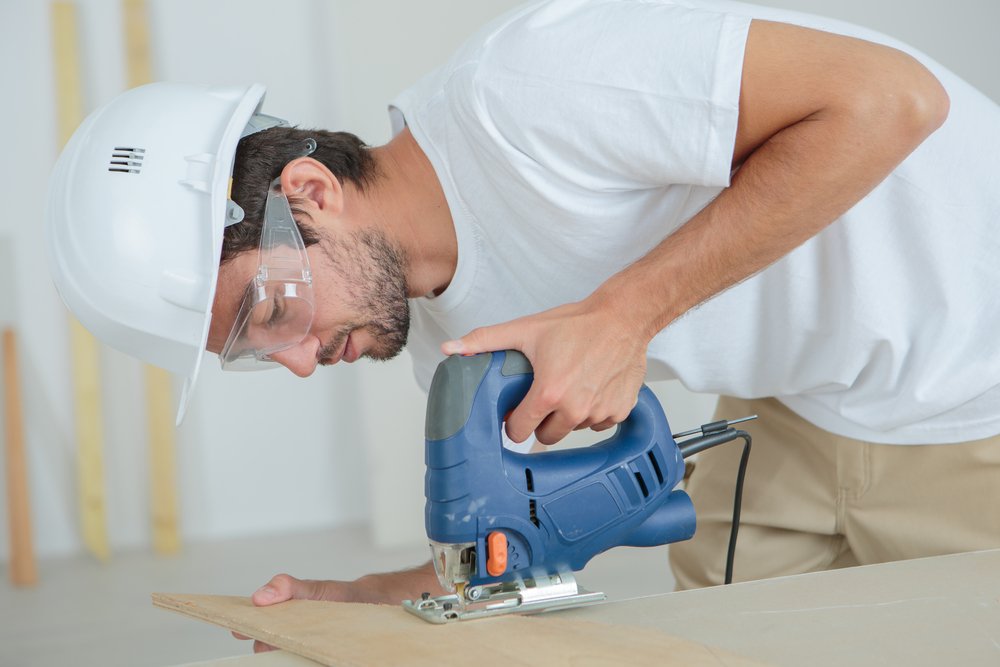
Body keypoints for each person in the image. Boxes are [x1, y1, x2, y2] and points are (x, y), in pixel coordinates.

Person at [48, 0, 999, 644]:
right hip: (802, 392)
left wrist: (623, 314)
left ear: (310, 192)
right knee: (718, 641)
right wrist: (354, 603)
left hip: (972, 370)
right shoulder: (445, 347)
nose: (297, 361)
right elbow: (499, 553)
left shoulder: (529, 93)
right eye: (252, 352)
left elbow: (890, 100)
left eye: (272, 309)